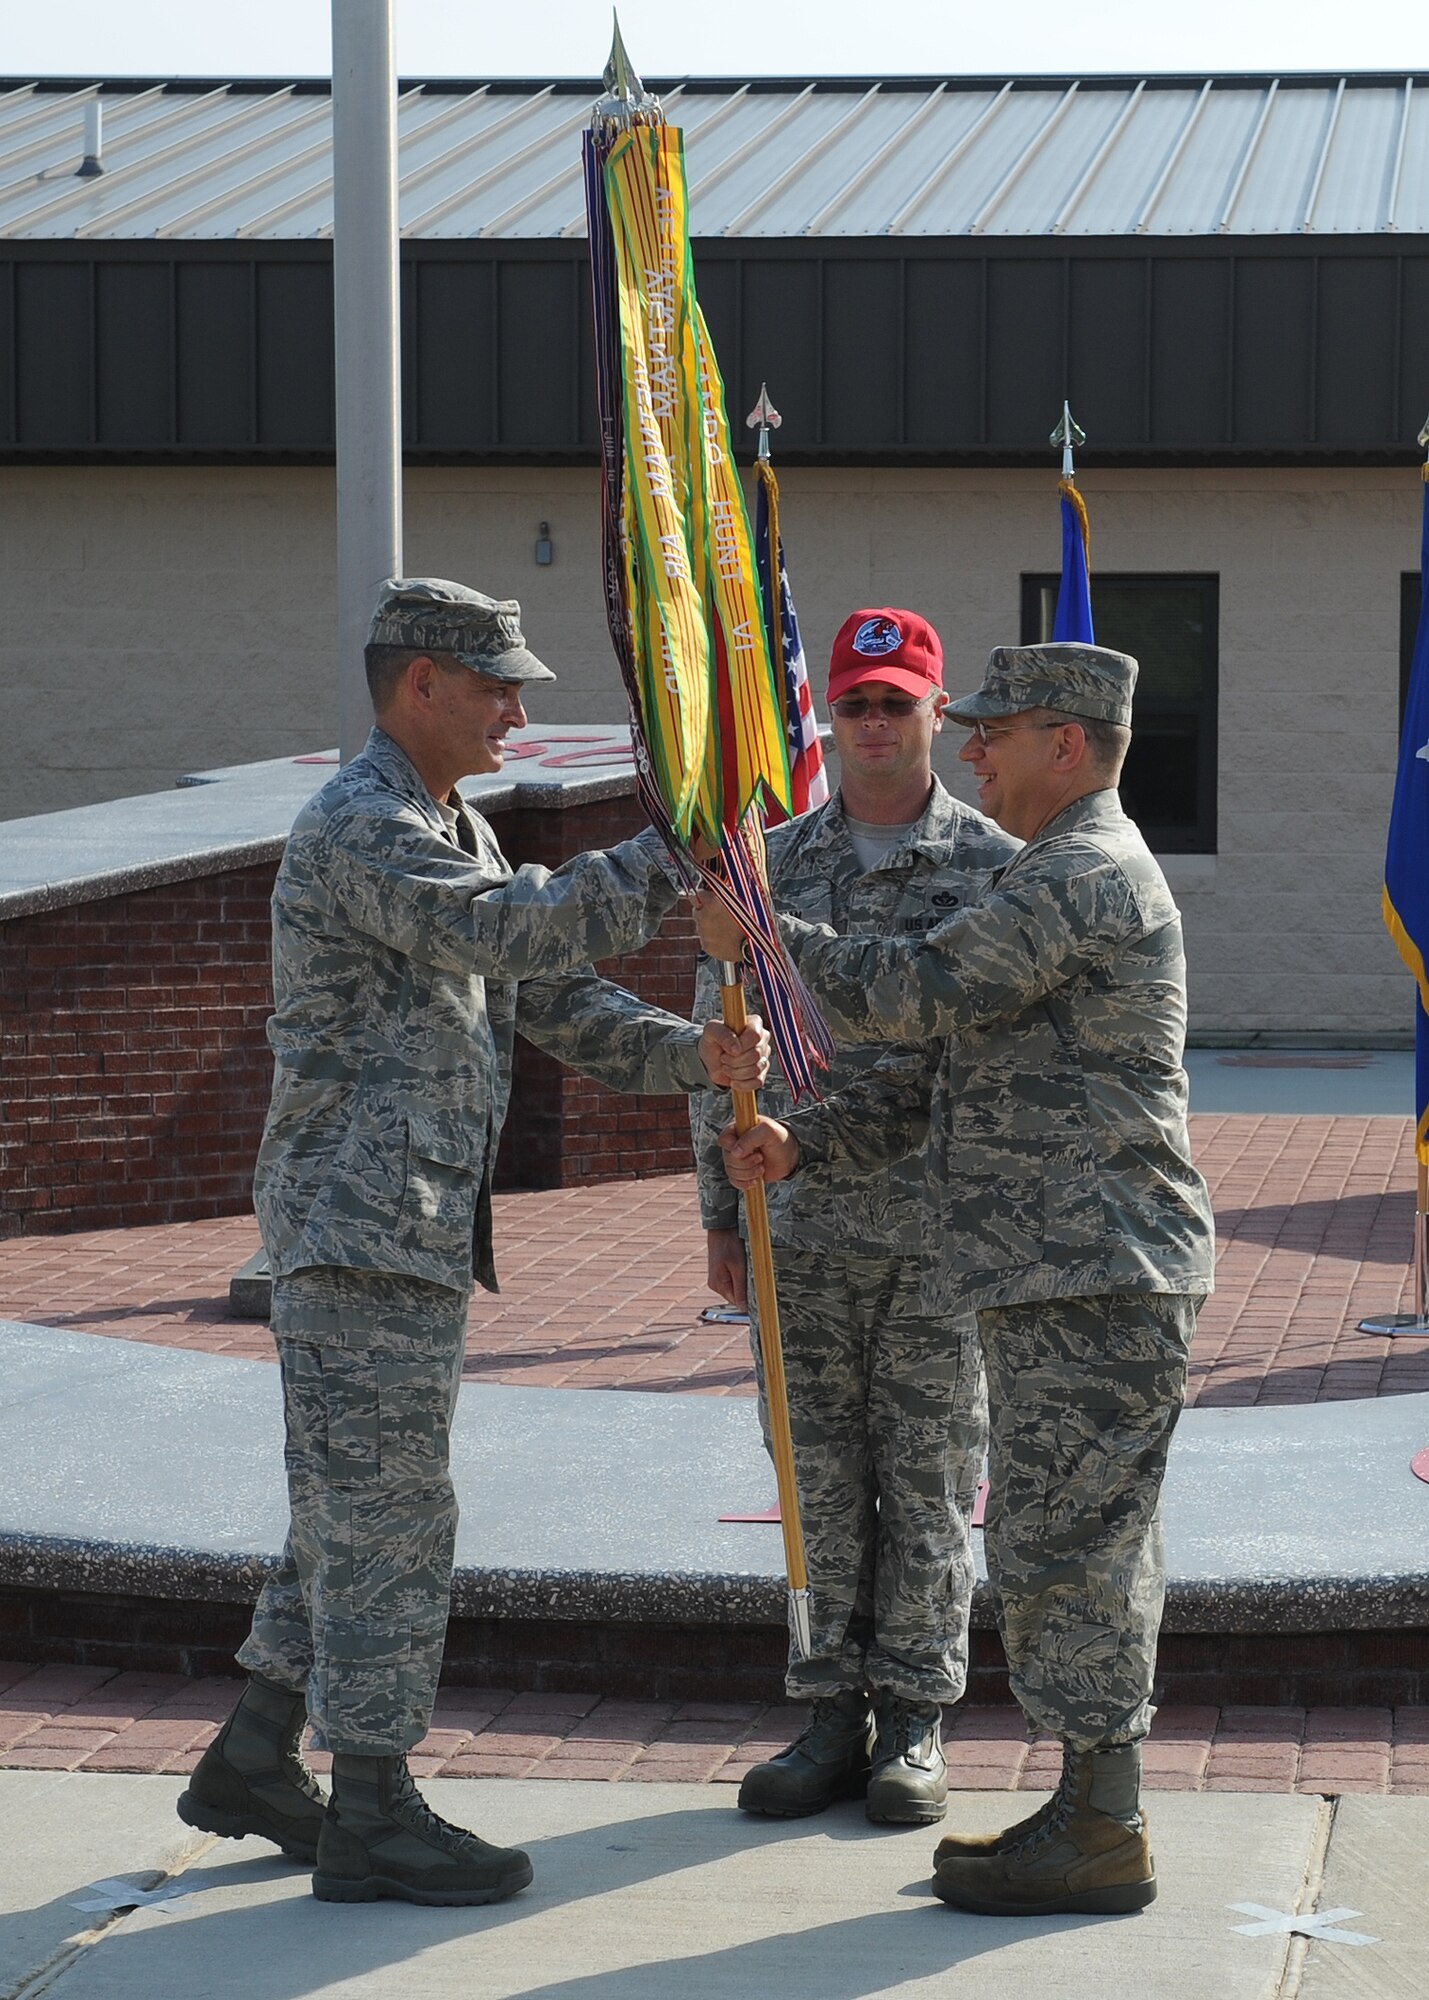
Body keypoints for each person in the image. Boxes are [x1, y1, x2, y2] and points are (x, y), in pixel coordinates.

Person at [178, 578, 768, 1908]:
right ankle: (375, 1805)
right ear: (419, 686)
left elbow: (551, 992)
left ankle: (259, 1755)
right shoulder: (366, 823)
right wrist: (670, 849)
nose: (517, 707)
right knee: (391, 1516)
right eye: (497, 684)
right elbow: (514, 932)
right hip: (360, 1225)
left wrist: (698, 1056)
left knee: (348, 1508)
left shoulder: (452, 828)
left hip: (403, 1224)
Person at [702, 642, 1215, 1918]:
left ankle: (1100, 1824)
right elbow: (927, 1071)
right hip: (1059, 1265)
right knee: (1059, 1543)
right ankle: (1091, 1807)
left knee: (1072, 1549)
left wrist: (762, 929)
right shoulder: (1056, 866)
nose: (971, 750)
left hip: (1092, 1266)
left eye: (996, 730)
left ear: (1070, 742)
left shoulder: (1083, 874)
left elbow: (911, 989)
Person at [695, 609, 1018, 1825]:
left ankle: (917, 1719)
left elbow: (949, 1060)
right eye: (856, 704)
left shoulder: (991, 866)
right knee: (814, 1479)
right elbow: (719, 1043)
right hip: (796, 1233)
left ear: (938, 714)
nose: (875, 724)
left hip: (933, 1236)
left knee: (929, 1477)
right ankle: (829, 1707)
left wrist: (801, 1137)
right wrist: (718, 1202)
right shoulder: (766, 865)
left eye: (898, 703)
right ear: (826, 718)